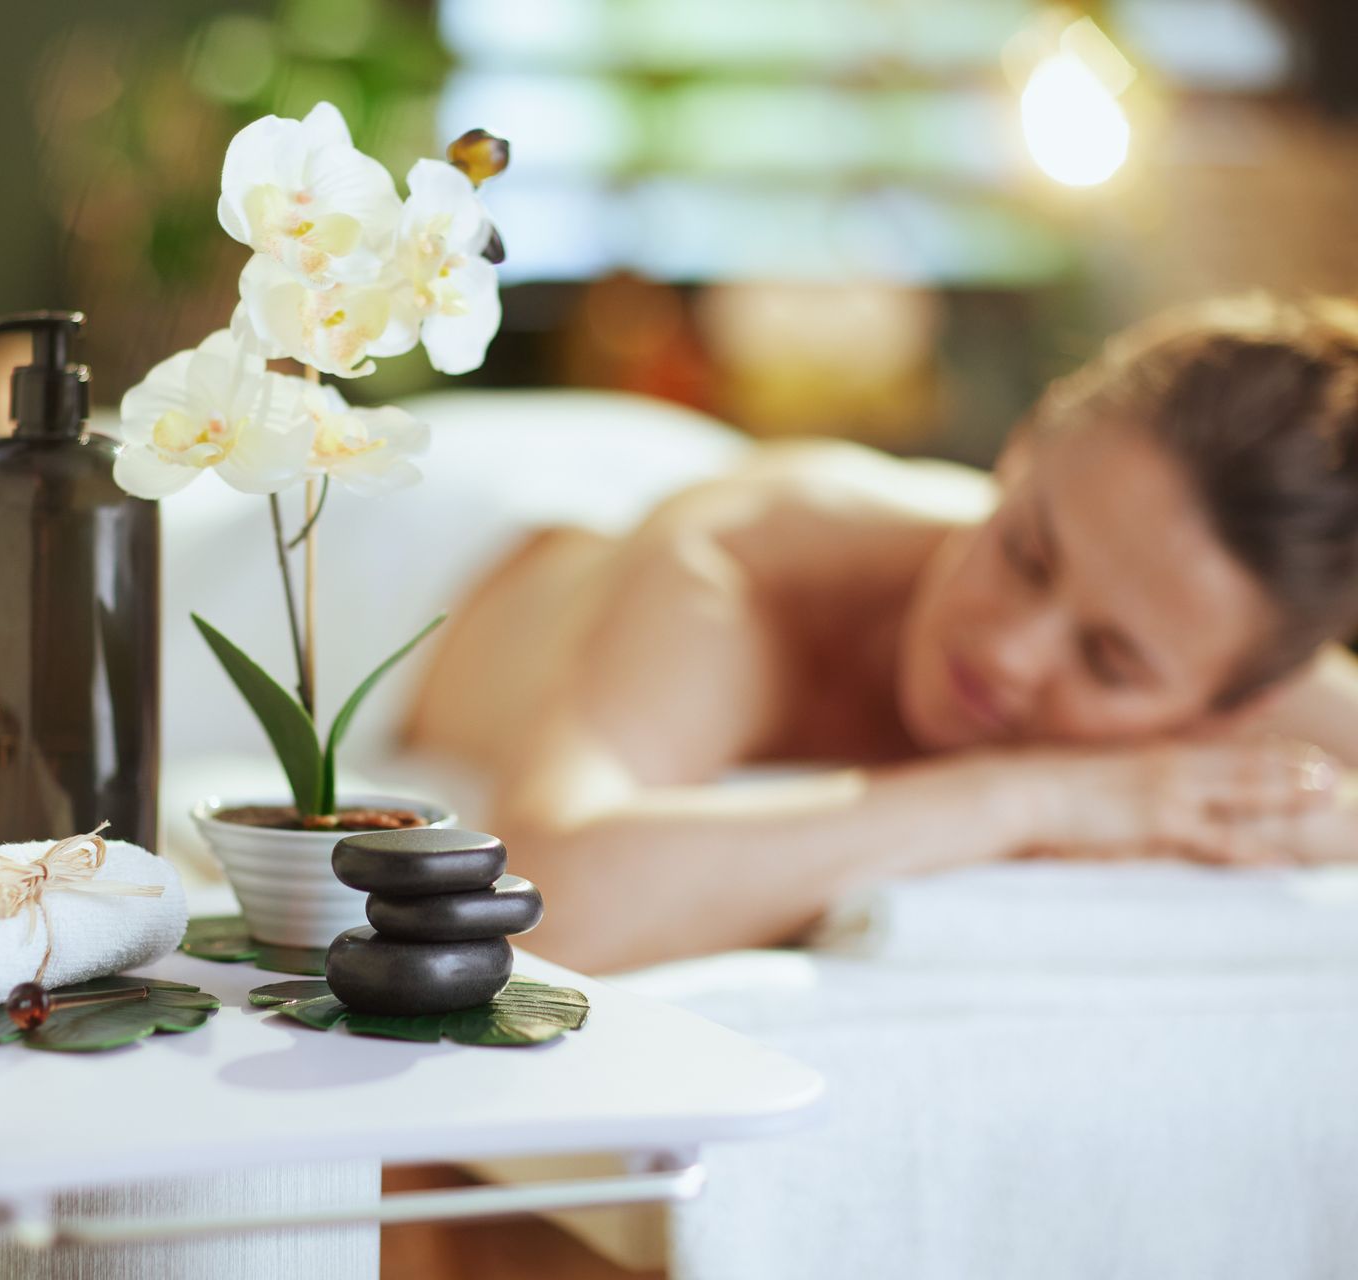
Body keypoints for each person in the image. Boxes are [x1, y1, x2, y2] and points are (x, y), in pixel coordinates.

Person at [401, 295, 1358, 972]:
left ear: (1237, 701)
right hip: (419, 546)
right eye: (1025, 550)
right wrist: (1034, 797)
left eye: (1109, 662)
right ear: (1023, 449)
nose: (1013, 647)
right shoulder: (742, 566)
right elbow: (534, 906)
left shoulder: (1211, 612)